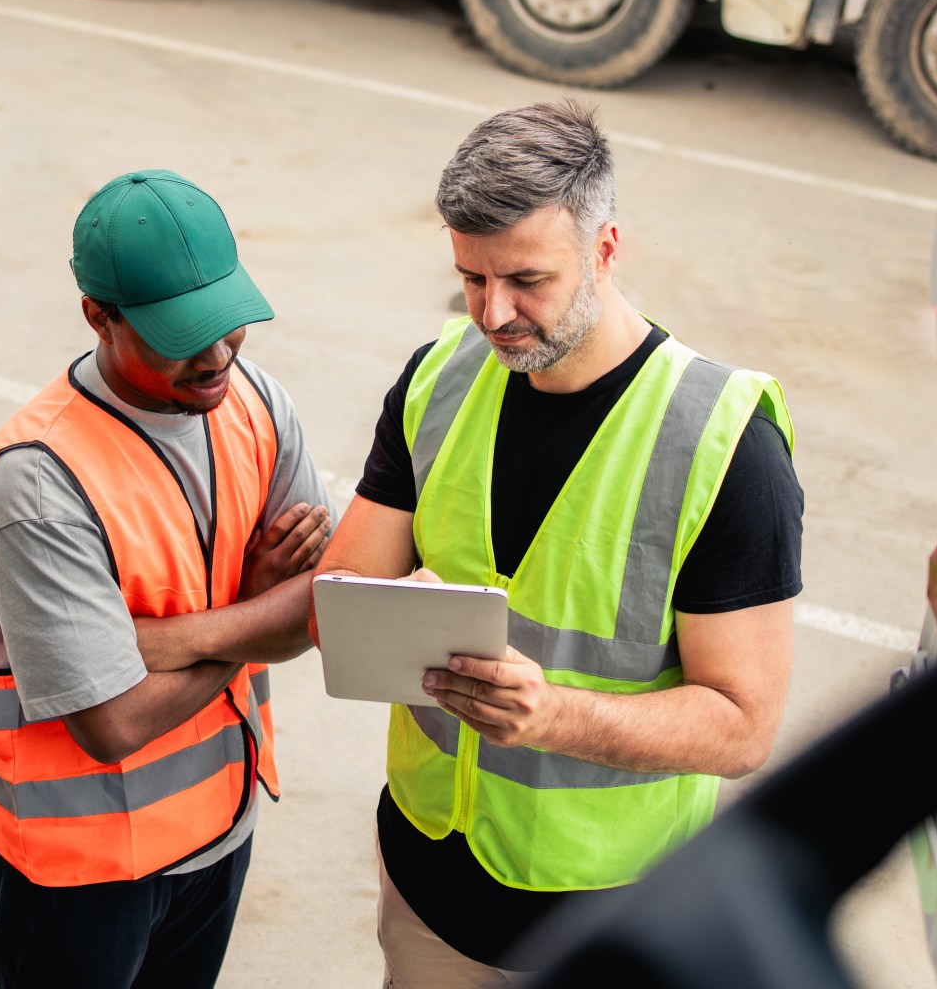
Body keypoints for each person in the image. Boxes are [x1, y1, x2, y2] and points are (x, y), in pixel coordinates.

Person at [314, 101, 804, 985]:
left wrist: (554, 717)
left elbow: (742, 728)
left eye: (526, 280)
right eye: (470, 278)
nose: (493, 313)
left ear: (605, 249)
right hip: (430, 894)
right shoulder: (436, 381)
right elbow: (345, 584)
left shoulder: (725, 444)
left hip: (614, 924)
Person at [0, 169, 333, 989]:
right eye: (179, 333)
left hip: (221, 833)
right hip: (79, 875)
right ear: (99, 315)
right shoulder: (38, 480)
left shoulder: (258, 403)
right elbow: (113, 724)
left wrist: (164, 640)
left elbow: (321, 605)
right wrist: (252, 611)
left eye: (229, 323)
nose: (217, 355)